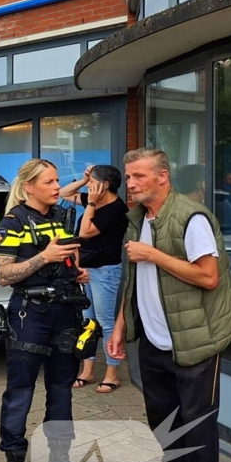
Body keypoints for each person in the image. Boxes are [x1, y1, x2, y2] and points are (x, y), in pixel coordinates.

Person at [107, 148, 231, 462]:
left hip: (196, 340)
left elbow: (208, 276)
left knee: (198, 427)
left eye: (138, 176)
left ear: (162, 177)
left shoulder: (191, 217)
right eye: (128, 177)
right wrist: (119, 328)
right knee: (163, 419)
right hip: (153, 339)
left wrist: (154, 254)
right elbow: (131, 281)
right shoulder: (137, 220)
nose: (130, 184)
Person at [0, 158, 90, 462]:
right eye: (49, 181)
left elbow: (66, 261)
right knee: (20, 391)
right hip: (29, 315)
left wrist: (74, 273)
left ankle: (59, 460)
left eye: (56, 180)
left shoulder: (60, 218)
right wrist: (44, 258)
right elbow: (3, 275)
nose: (55, 186)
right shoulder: (13, 221)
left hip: (64, 312)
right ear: (29, 187)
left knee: (62, 388)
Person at [60, 165, 129, 393]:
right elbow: (64, 194)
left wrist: (90, 203)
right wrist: (83, 179)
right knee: (88, 322)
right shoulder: (93, 199)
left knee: (105, 321)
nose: (89, 186)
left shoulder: (116, 209)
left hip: (105, 271)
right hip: (87, 270)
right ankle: (88, 371)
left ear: (105, 185)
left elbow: (86, 232)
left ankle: (112, 374)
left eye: (93, 181)